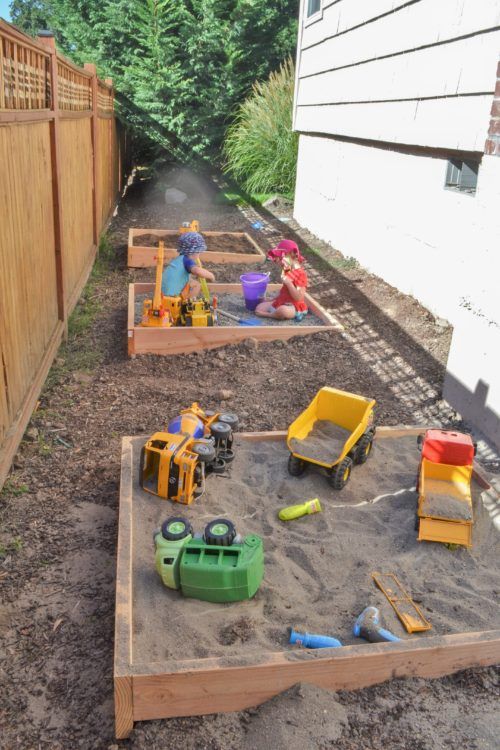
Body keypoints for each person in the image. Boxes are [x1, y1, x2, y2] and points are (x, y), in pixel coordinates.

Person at [255, 239, 308, 320]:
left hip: (293, 305)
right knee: (259, 307)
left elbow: (299, 297)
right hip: (282, 301)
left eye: (281, 258)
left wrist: (289, 284)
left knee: (283, 311)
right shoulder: (287, 269)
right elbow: (284, 291)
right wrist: (273, 299)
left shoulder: (301, 274)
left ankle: (270, 315)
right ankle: (275, 312)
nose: (279, 262)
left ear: (292, 255)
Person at [161, 231, 214, 298]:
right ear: (195, 251)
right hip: (172, 296)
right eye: (199, 252)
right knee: (196, 285)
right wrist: (211, 276)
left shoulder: (178, 260)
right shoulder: (187, 261)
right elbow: (198, 271)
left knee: (190, 281)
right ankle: (187, 305)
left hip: (161, 293)